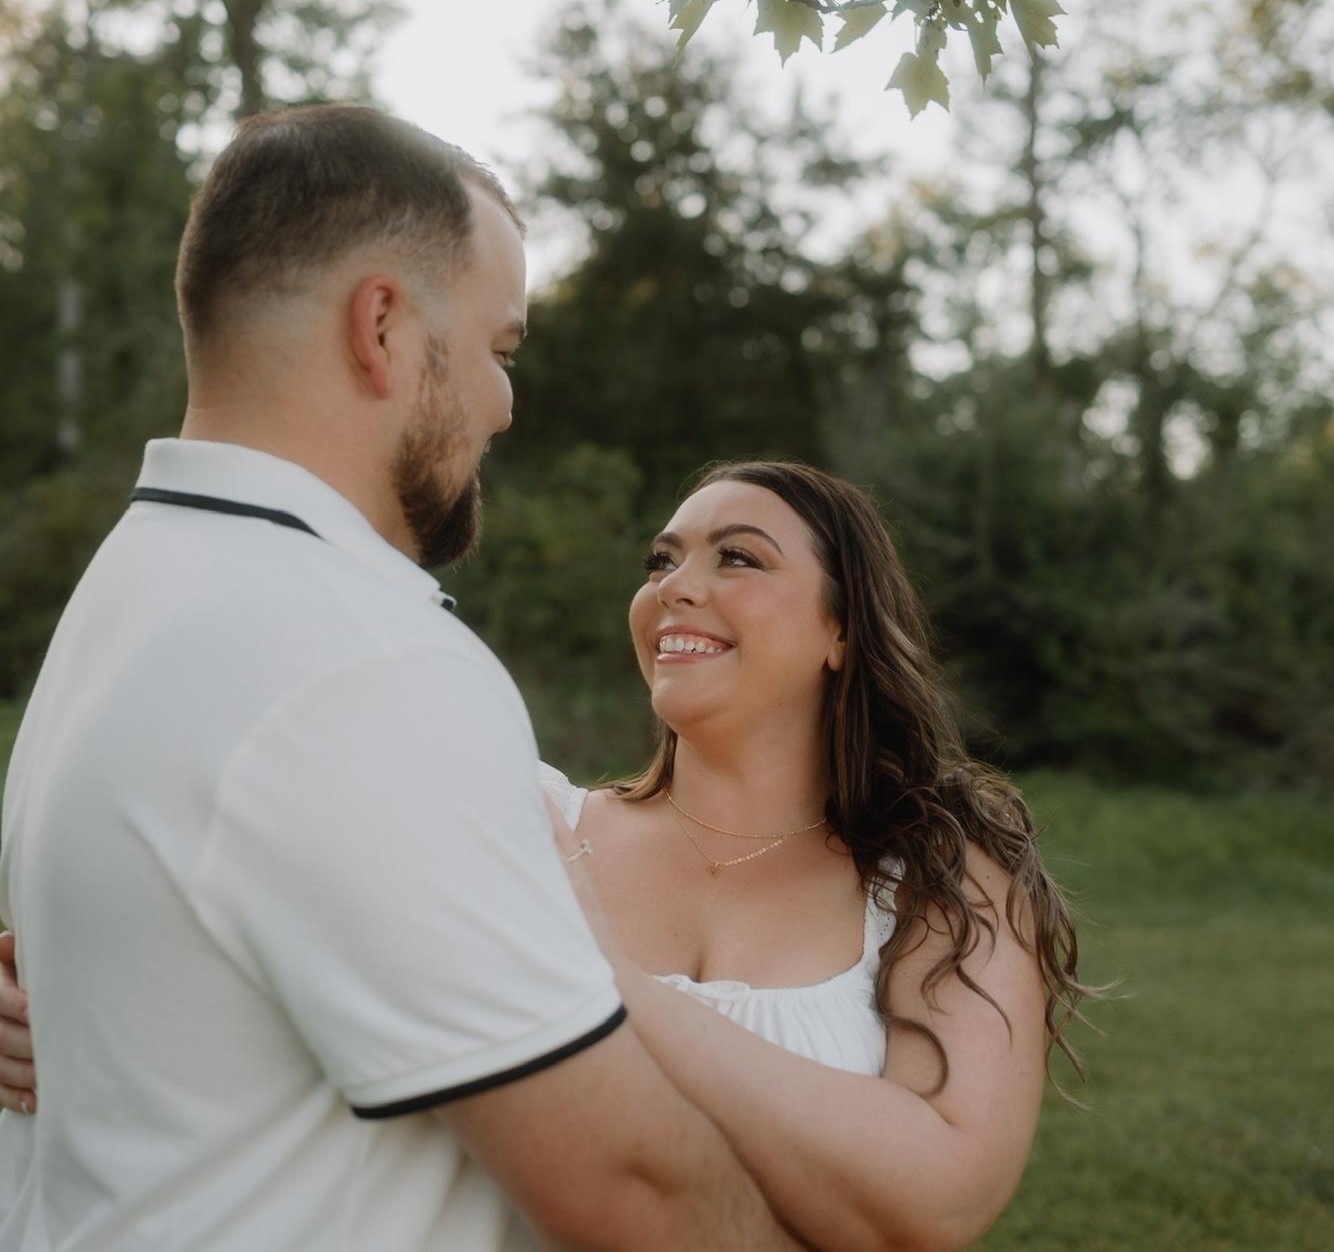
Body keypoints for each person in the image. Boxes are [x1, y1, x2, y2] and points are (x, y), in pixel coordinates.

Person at [0, 105, 801, 1252]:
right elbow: (629, 1185)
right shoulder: (358, 660)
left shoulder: (133, 586)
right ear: (380, 326)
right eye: (497, 350)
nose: (504, 403)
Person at [1, 452, 1097, 1249]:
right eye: (662, 558)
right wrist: (93, 1003)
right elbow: (241, 878)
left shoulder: (940, 873)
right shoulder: (519, 813)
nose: (677, 585)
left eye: (738, 557)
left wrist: (607, 980)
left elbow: (934, 1199)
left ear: (840, 630)